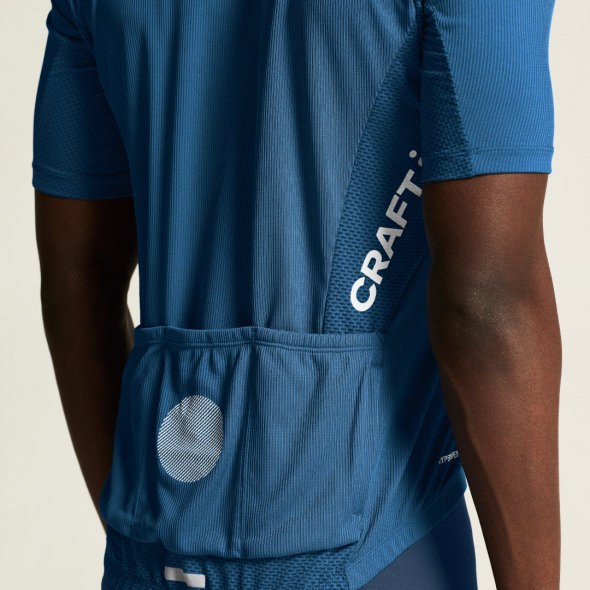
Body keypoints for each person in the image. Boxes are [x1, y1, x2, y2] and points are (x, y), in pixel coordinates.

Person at [32, 0, 561, 589]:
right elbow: (487, 304)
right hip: (377, 553)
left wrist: (158, 529)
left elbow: (77, 283)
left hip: (156, 547)